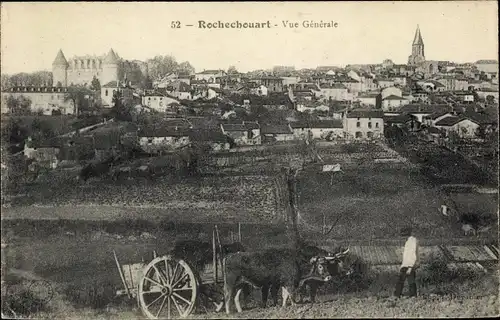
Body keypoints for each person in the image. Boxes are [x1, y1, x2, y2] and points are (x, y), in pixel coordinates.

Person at [394, 227, 420, 298]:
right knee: (406, 280)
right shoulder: (408, 241)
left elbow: (412, 254)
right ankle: (410, 295)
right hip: (406, 264)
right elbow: (406, 256)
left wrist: (410, 267)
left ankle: (410, 295)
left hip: (409, 264)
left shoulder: (412, 241)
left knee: (408, 280)